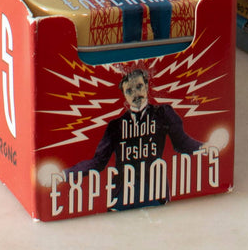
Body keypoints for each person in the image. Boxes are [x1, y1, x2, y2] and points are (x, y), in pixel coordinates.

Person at [65, 69, 205, 210]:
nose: (136, 94)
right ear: (124, 95)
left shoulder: (163, 113)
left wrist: (206, 148)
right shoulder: (115, 126)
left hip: (154, 193)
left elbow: (182, 143)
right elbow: (98, 162)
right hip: (121, 196)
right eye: (129, 91)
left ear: (146, 86)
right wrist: (65, 174)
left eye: (139, 87)